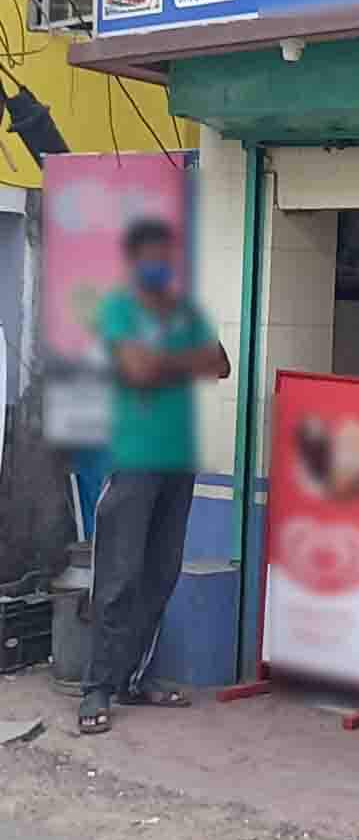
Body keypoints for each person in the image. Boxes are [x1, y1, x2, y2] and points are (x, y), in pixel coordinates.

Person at [79, 220, 230, 735]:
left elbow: (221, 364)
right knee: (119, 579)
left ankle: (132, 679)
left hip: (178, 459)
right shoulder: (120, 309)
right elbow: (138, 370)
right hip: (135, 459)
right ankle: (95, 688)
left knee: (160, 573)